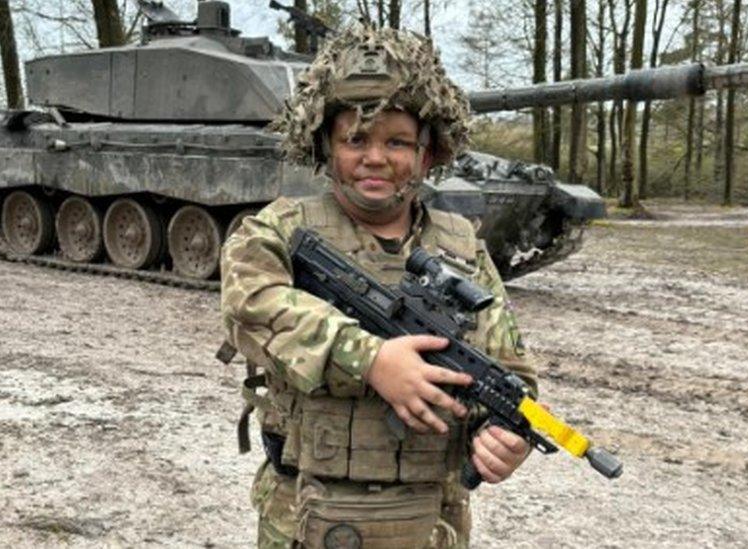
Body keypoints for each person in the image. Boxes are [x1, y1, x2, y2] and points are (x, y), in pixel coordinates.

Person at [221, 24, 539, 549]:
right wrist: (370, 360)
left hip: (430, 521)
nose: (375, 157)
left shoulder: (461, 249)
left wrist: (504, 437)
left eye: (397, 141)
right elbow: (249, 304)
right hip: (305, 511)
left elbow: (510, 370)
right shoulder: (278, 228)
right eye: (355, 139)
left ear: (428, 154)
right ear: (325, 145)